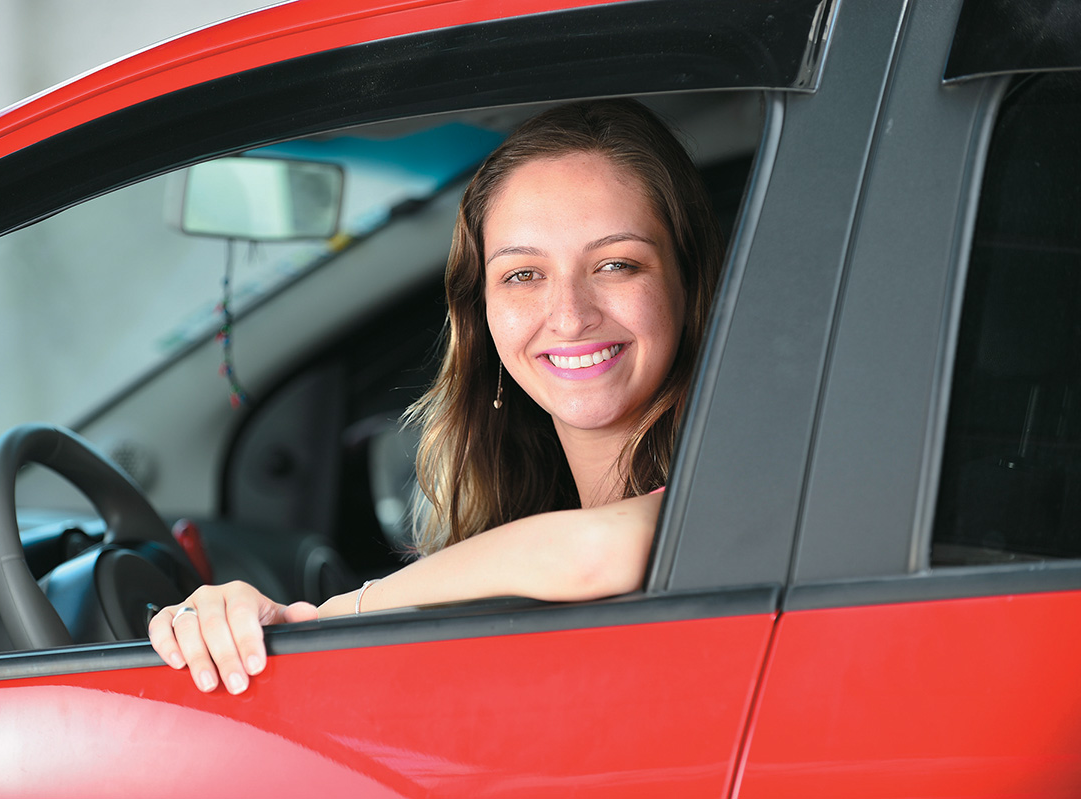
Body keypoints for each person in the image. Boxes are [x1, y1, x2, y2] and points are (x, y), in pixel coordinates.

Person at [149, 98, 725, 694]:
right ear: (483, 313)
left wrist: (321, 620)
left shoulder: (741, 476)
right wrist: (235, 631)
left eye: (616, 264)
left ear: (688, 281)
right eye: (523, 274)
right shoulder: (521, 527)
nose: (570, 317)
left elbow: (606, 547)